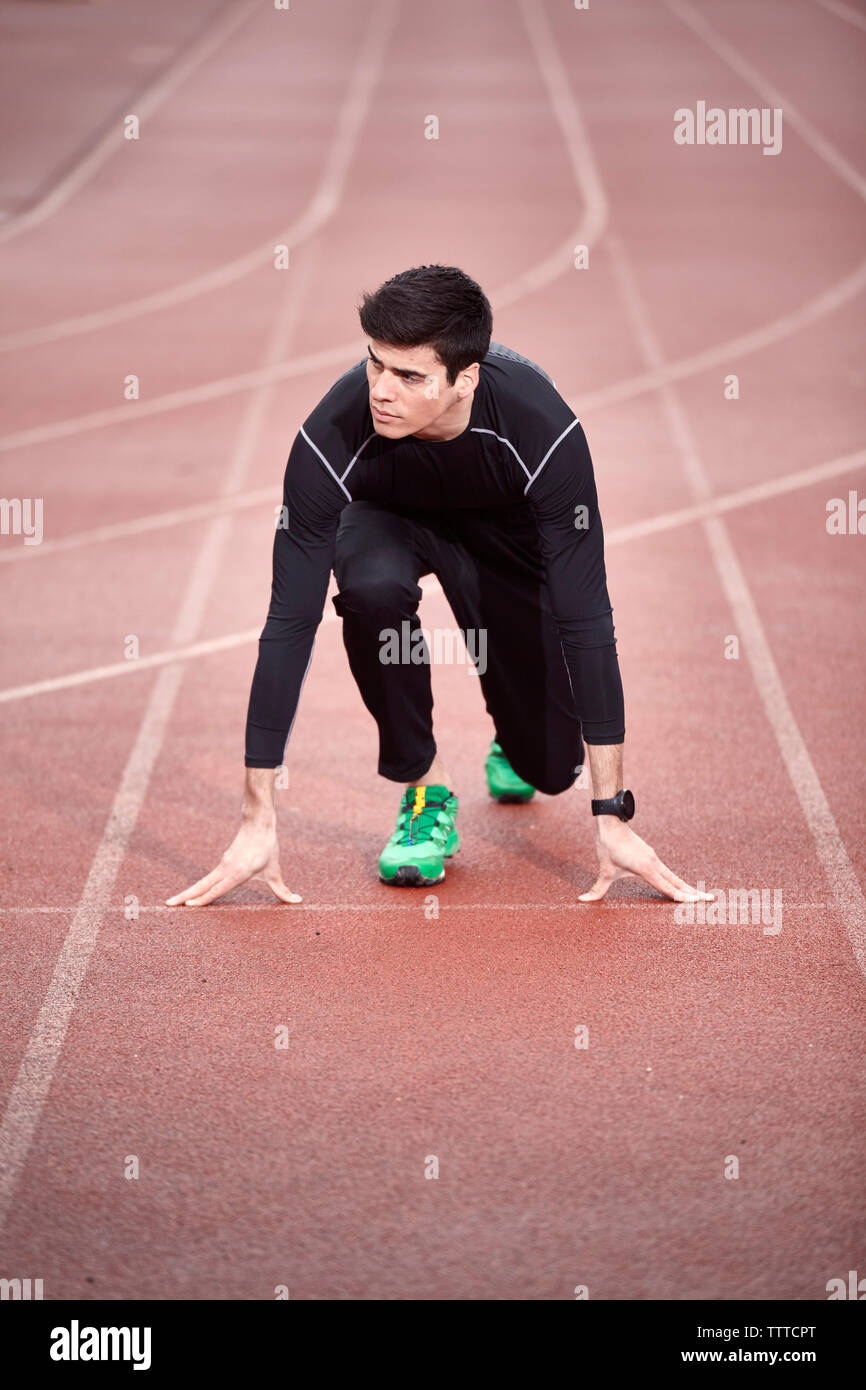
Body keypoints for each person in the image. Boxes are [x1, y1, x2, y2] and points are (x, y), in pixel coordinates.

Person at [167, 265, 712, 908]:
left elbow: (586, 616)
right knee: (371, 590)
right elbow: (289, 621)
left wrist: (611, 813)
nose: (381, 391)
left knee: (550, 768)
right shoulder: (330, 435)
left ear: (465, 380)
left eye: (409, 376)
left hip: (504, 538)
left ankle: (516, 736)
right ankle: (426, 787)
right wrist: (257, 816)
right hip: (386, 523)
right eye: (375, 365)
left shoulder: (542, 431)